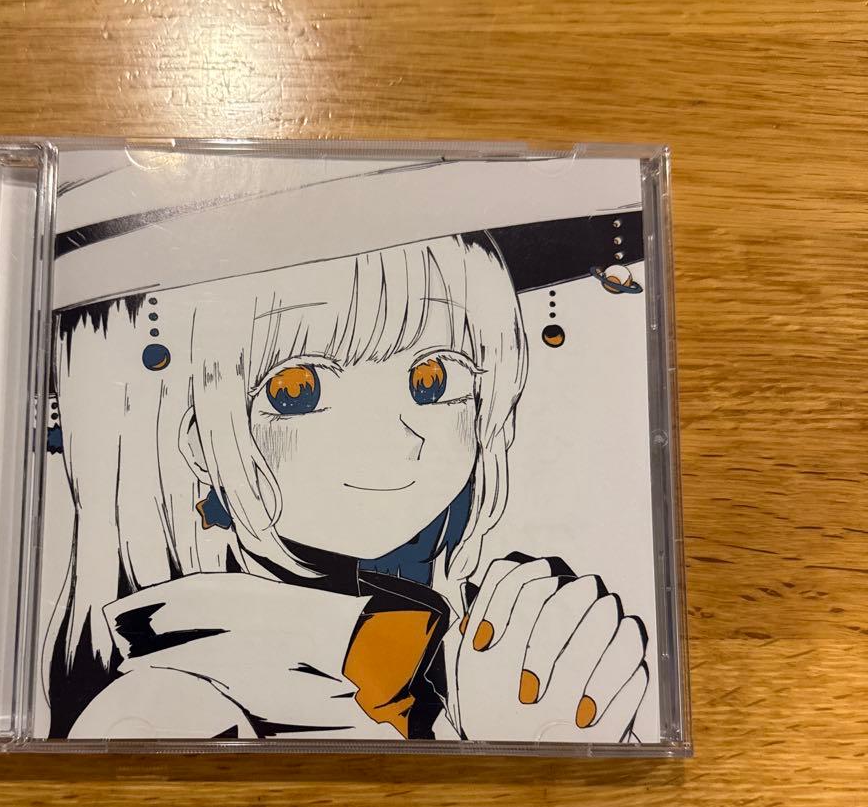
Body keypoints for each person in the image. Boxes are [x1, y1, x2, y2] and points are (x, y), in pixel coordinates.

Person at [47, 232, 648, 744]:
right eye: (297, 391)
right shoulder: (172, 702)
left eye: (433, 379)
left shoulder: (444, 642)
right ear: (196, 439)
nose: (392, 437)